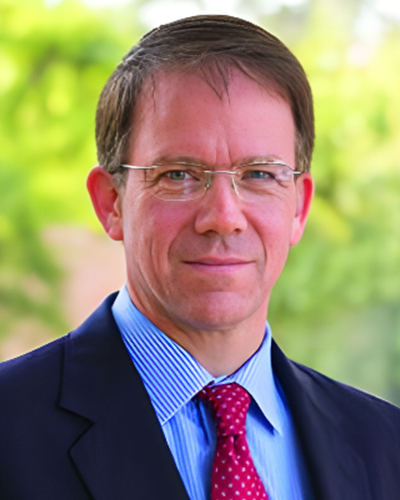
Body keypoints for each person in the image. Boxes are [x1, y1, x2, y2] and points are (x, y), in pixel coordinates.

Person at [1, 14, 400, 500]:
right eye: (178, 175)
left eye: (259, 174)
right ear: (111, 203)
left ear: (298, 207)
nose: (224, 217)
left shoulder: (385, 444)